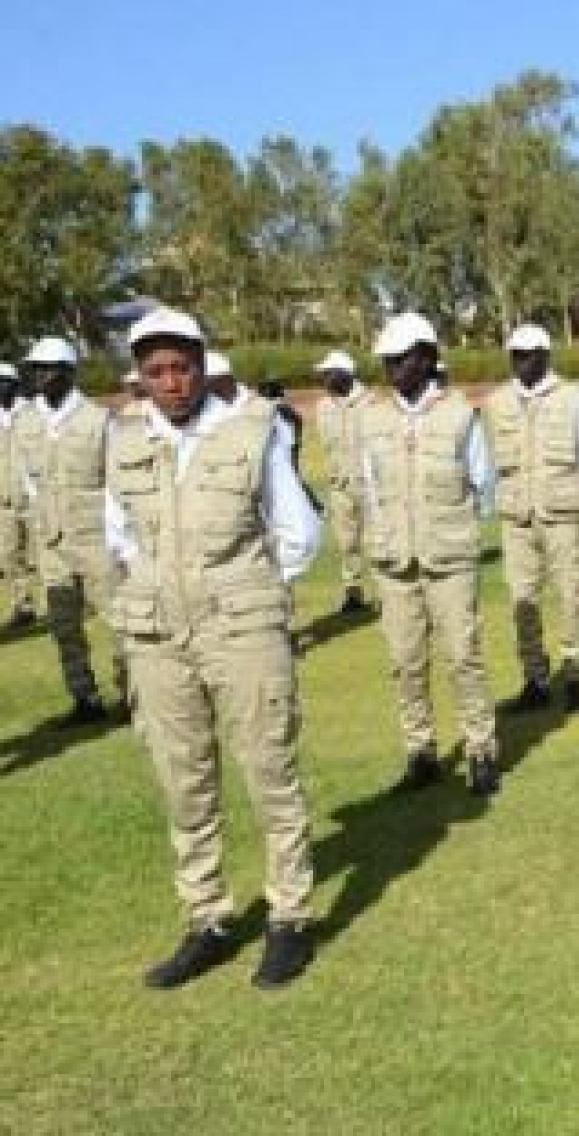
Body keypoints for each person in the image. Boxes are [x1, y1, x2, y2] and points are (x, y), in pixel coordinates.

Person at [107, 307, 322, 989]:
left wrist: (247, 590)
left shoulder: (252, 435)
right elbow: (119, 533)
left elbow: (298, 533)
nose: (171, 382)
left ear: (202, 367)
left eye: (182, 368)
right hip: (159, 636)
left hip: (242, 629)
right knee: (184, 781)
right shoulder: (125, 444)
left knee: (268, 771)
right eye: (156, 371)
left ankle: (289, 918)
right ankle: (207, 919)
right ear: (141, 379)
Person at [358, 313, 502, 796]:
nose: (393, 369)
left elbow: (482, 485)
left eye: (402, 360)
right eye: (388, 361)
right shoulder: (373, 417)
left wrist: (451, 529)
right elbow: (371, 488)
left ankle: (481, 749)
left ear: (426, 358)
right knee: (405, 661)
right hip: (395, 561)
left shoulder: (460, 415)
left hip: (449, 558)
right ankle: (420, 751)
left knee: (463, 656)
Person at [17, 335, 126, 724]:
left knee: (120, 618)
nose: (39, 377)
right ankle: (85, 697)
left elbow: (115, 483)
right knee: (64, 624)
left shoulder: (98, 420)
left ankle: (131, 693)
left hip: (96, 535)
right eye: (34, 369)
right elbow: (29, 480)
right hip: (52, 538)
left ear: (67, 373)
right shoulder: (26, 420)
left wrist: (117, 540)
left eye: (47, 369)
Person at [487, 324, 579, 713]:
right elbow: (491, 464)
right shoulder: (497, 401)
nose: (522, 361)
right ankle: (534, 678)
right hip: (517, 516)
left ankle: (575, 673)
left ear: (546, 355)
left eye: (529, 354)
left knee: (571, 594)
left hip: (562, 512)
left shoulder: (572, 398)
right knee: (522, 600)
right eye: (515, 354)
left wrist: (577, 495)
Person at [313, 350, 373, 614]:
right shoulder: (323, 407)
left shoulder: (371, 403)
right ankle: (353, 593)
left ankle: (391, 594)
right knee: (346, 543)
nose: (323, 379)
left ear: (345, 373)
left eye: (328, 373)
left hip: (370, 485)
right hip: (340, 486)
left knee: (377, 541)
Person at [0, 363, 38, 628]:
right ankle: (22, 606)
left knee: (51, 555)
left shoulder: (33, 412)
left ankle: (73, 601)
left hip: (36, 498)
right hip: (5, 500)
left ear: (13, 384)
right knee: (10, 555)